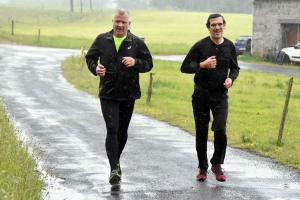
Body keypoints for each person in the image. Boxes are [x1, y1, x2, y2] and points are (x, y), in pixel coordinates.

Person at [85, 9, 153, 185]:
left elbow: (148, 64)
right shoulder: (102, 39)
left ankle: (115, 161)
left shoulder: (136, 42)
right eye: (117, 21)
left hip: (128, 94)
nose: (120, 25)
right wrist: (95, 69)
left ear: (129, 24)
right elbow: (90, 58)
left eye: (124, 22)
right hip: (107, 93)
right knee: (112, 128)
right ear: (112, 22)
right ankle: (114, 167)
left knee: (122, 132)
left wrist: (135, 62)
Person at [180, 13, 240, 182]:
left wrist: (231, 79)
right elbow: (184, 67)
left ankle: (217, 164)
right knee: (201, 131)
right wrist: (202, 65)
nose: (217, 27)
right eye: (213, 25)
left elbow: (235, 68)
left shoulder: (229, 46)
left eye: (220, 24)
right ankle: (202, 167)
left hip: (220, 95)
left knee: (220, 129)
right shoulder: (200, 46)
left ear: (224, 25)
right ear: (208, 27)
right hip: (201, 94)